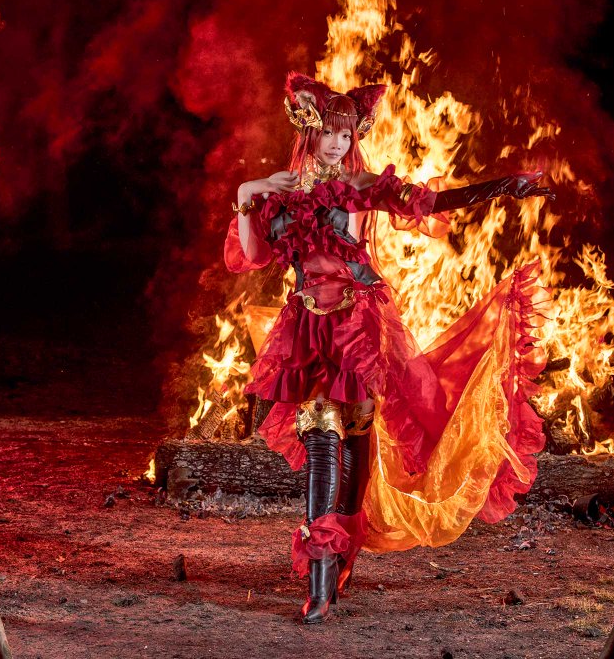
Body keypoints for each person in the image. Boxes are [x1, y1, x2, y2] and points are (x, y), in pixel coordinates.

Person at [225, 72, 552, 624]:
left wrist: (504, 186)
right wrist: (246, 194)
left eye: (346, 134)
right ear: (309, 130)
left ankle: (340, 561)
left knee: (354, 441)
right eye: (329, 132)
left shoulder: (361, 186)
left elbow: (432, 201)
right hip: (306, 327)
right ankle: (320, 582)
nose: (338, 143)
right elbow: (253, 255)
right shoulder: (279, 192)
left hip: (358, 325)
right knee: (322, 437)